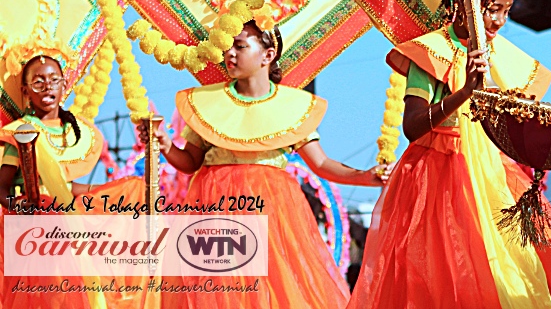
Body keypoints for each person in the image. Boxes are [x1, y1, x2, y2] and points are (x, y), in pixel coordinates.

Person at [347, 0, 551, 309]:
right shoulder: (431, 53)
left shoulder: (504, 58)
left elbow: (522, 135)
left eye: (506, 10)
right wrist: (463, 93)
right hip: (438, 182)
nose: (499, 21)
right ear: (462, 2)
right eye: (491, 9)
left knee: (518, 270)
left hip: (494, 178)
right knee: (448, 282)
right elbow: (412, 127)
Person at [139, 20, 389, 309]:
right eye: (227, 47)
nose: (230, 53)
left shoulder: (290, 108)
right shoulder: (209, 104)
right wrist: (164, 143)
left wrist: (365, 176)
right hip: (214, 208)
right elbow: (190, 162)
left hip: (273, 212)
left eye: (241, 46)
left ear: (267, 55)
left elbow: (321, 163)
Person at [0, 50, 145, 309]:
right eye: (38, 81)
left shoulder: (73, 130)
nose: (47, 87)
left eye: (54, 79)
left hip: (65, 218)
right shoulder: (18, 134)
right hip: (31, 227)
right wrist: (19, 206)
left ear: (64, 84)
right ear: (25, 90)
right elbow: (1, 190)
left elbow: (66, 190)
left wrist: (106, 191)